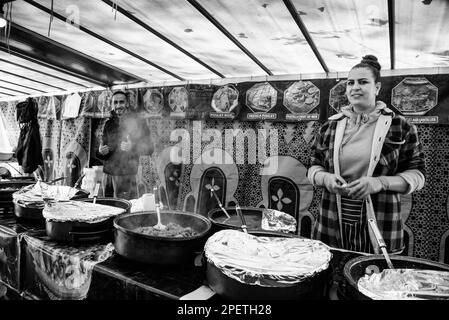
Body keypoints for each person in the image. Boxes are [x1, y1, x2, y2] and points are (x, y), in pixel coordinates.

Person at [307, 55, 425, 254]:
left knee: (373, 279)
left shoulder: (400, 126)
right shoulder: (330, 127)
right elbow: (313, 167)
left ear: (377, 87)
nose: (355, 87)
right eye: (350, 83)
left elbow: (418, 176)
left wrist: (379, 183)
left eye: (363, 82)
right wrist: (326, 178)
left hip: (381, 219)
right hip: (331, 217)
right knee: (331, 275)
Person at [96, 91, 153, 200]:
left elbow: (149, 149)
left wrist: (132, 148)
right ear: (112, 104)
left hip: (127, 175)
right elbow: (102, 151)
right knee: (108, 207)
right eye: (115, 102)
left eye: (121, 102)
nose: (118, 105)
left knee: (124, 208)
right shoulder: (109, 123)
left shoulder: (138, 122)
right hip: (108, 174)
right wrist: (100, 152)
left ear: (127, 103)